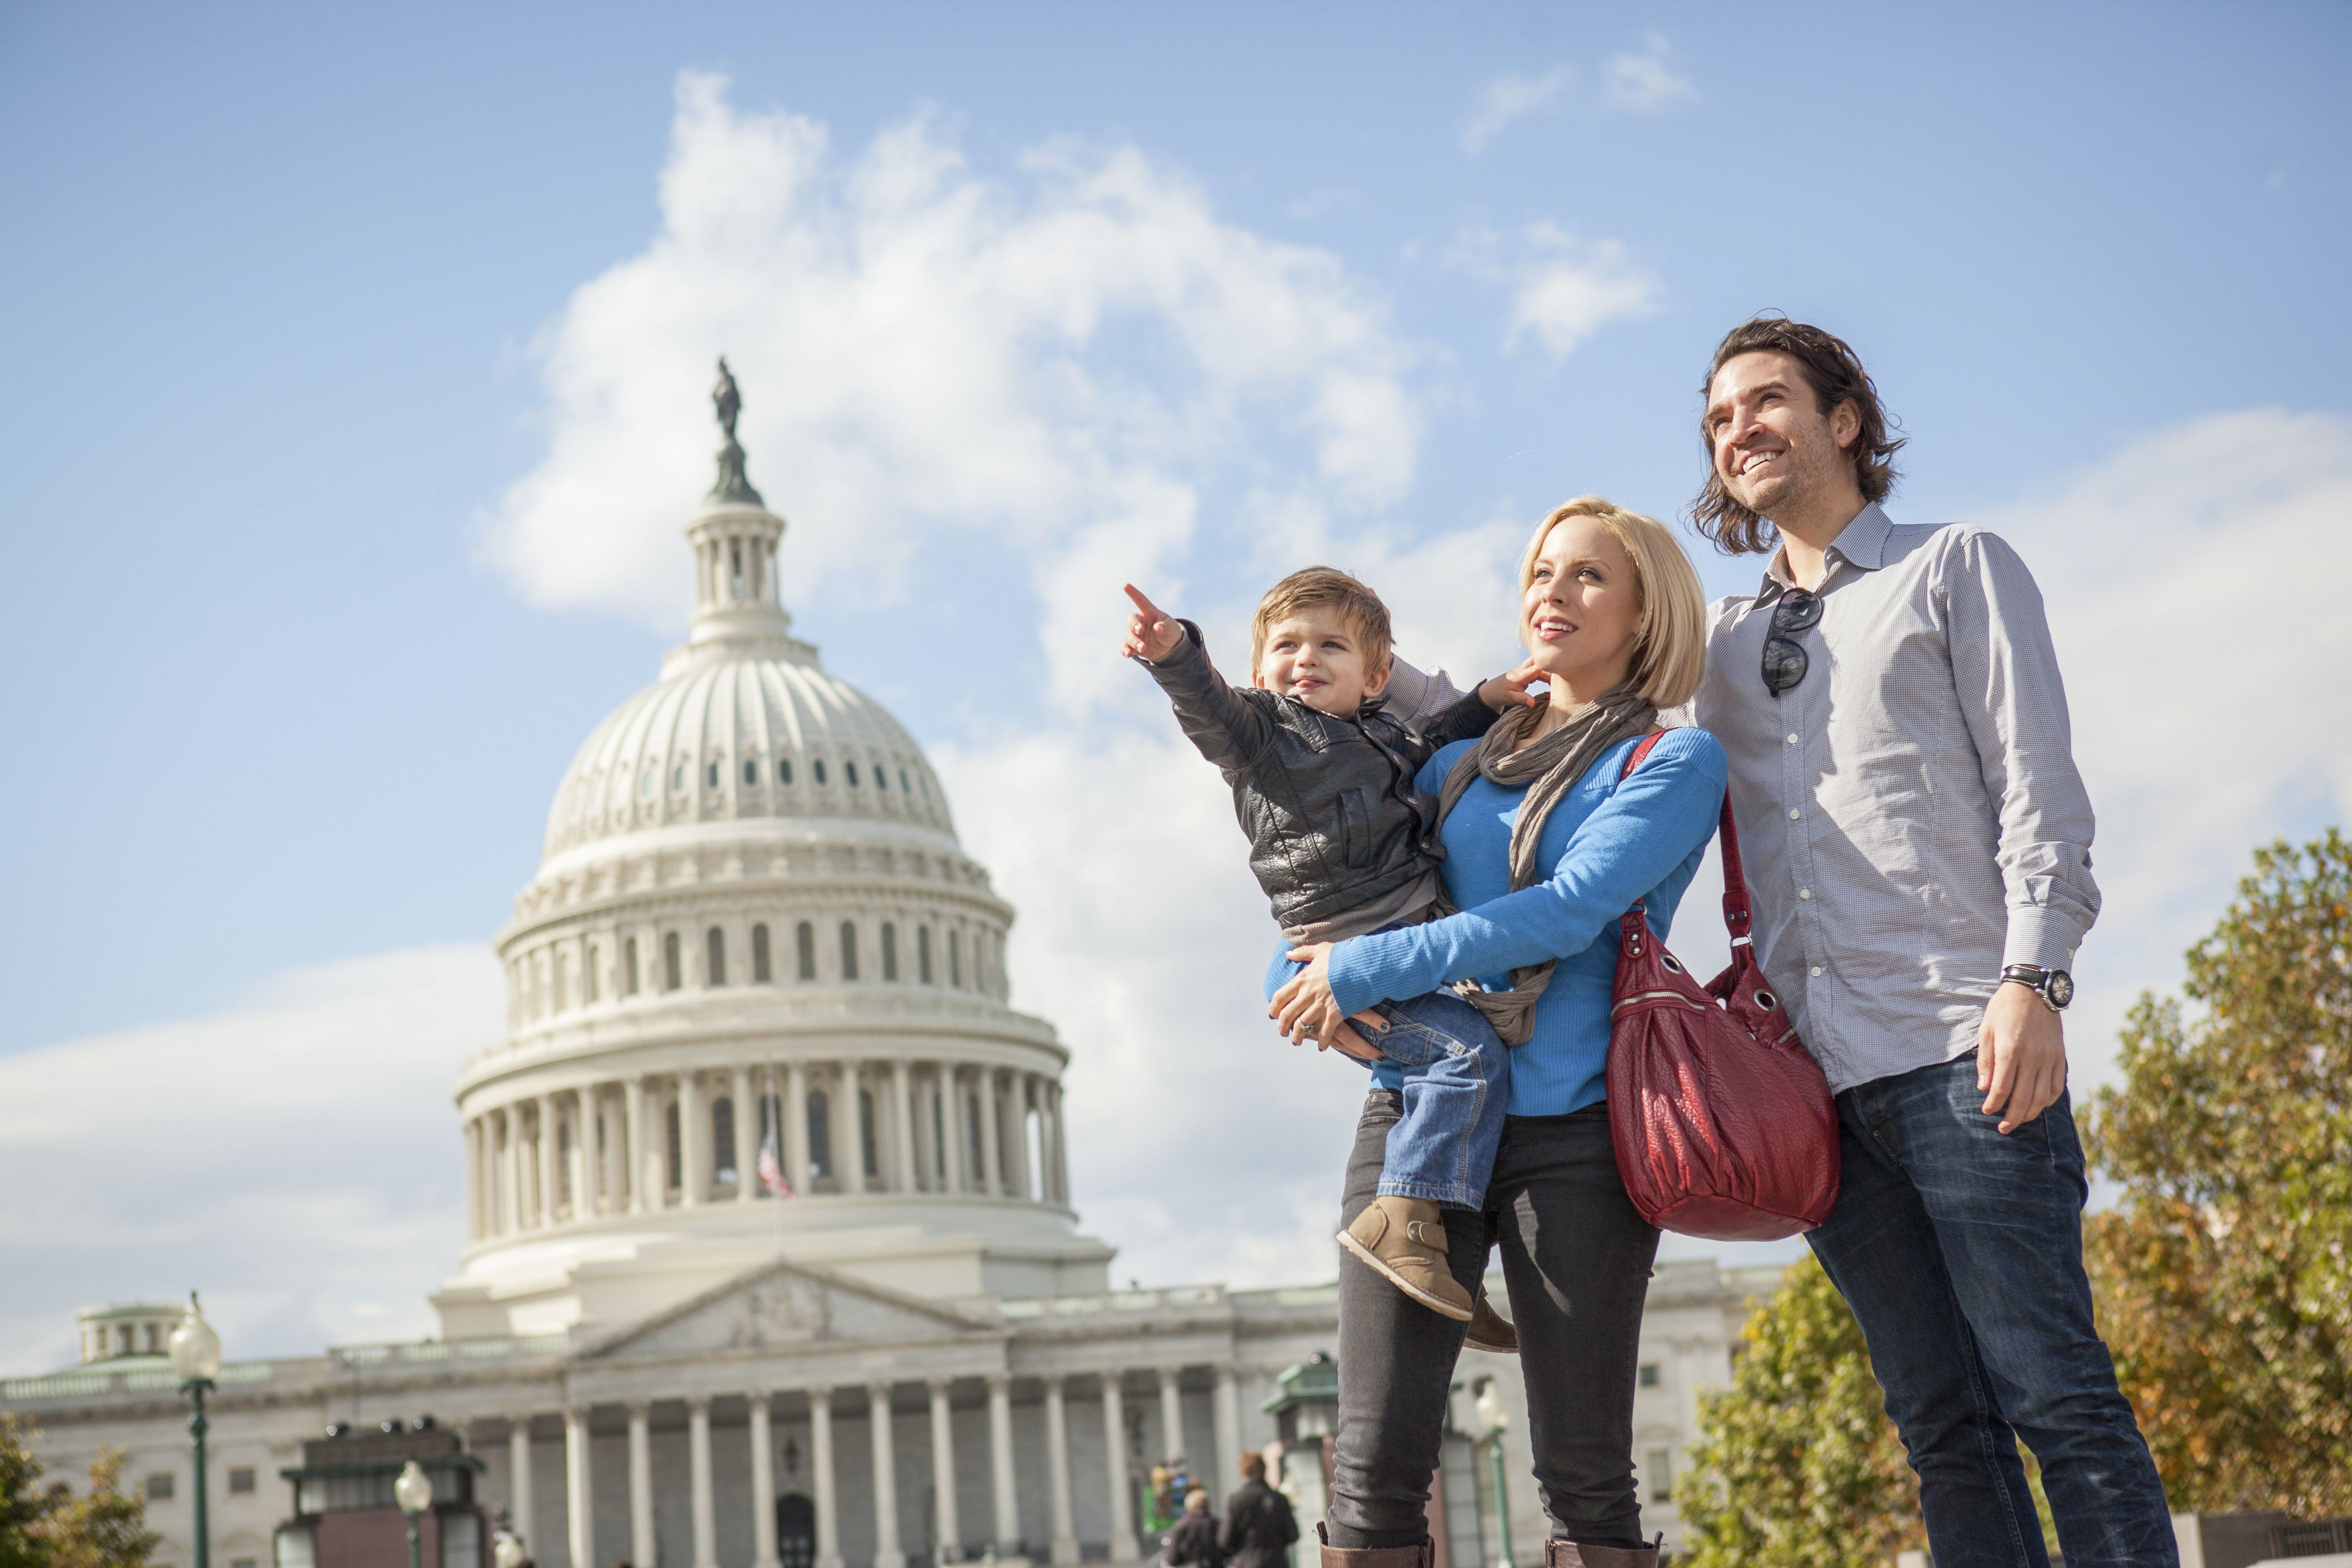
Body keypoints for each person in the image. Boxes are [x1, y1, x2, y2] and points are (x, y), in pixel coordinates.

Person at [1689, 316, 2175, 1567]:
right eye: (1718, 417)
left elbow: (2040, 794)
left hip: (1967, 1051)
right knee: (1940, 1427)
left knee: (2057, 1399)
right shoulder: (1721, 648)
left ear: (1845, 419)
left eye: (1763, 401)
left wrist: (2033, 979)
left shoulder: (1956, 565)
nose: (1737, 428)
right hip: (1813, 1094)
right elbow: (1562, 679)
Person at [1269, 498, 1724, 1568]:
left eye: (1585, 577)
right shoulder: (1458, 757)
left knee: (1583, 1476)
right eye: (1539, 574)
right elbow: (1338, 879)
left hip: (1572, 1137)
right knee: (1372, 1474)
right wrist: (1298, 978)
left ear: (1645, 609)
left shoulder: (1672, 759)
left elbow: (1567, 910)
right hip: (1416, 1120)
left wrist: (1359, 969)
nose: (1550, 595)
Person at [1124, 570, 1540, 1327]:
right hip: (1341, 955)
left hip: (1387, 948)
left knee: (1455, 1071)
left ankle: (1438, 1247)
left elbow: (1436, 736)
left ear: (1375, 676)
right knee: (1467, 1058)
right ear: (1259, 672)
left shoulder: (1383, 734)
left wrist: (1487, 699)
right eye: (1286, 645)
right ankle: (1403, 1221)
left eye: (1329, 645)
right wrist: (1176, 654)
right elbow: (1207, 709)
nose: (1304, 658)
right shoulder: (1263, 735)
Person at [1222, 1451, 1299, 1568]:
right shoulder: (1279, 1499)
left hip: (1246, 1563)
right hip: (1277, 1563)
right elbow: (1293, 1535)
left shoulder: (1236, 1501)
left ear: (1243, 1472)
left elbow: (1225, 1540)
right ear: (1263, 1469)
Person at [1165, 1487, 1226, 1568]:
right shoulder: (1217, 1524)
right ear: (1208, 1506)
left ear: (1188, 1507)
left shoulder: (1181, 1526)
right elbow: (1227, 1548)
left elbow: (1172, 1559)